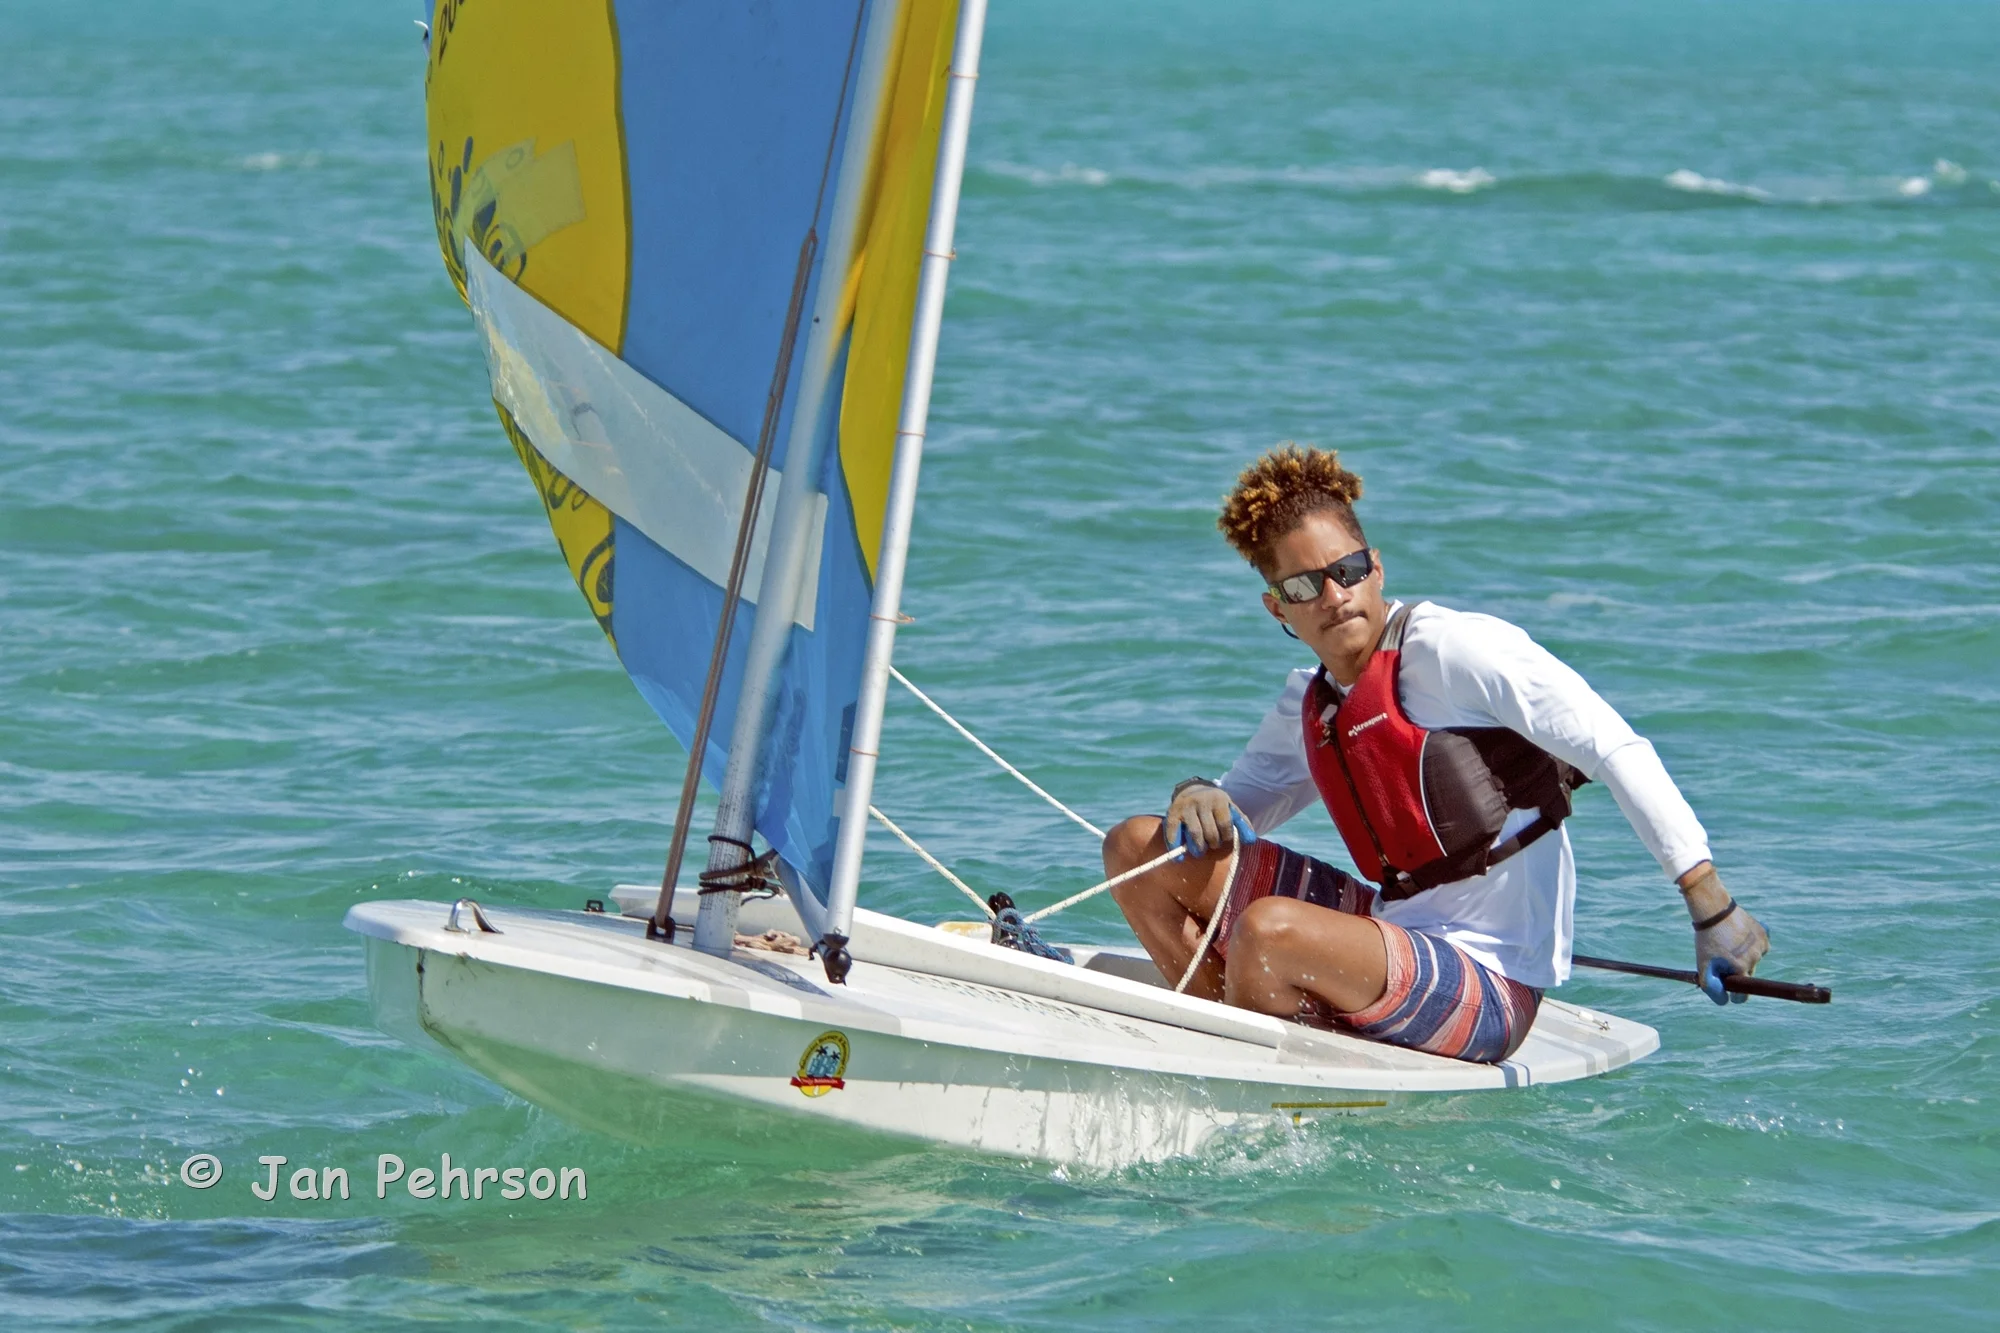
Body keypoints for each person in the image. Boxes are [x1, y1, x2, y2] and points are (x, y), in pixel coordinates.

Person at [1103, 444, 1770, 1064]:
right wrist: (1195, 790)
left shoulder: (1454, 651)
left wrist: (1710, 907)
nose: (1336, 596)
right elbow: (1234, 806)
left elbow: (1614, 745)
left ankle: (1245, 1082)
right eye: (1306, 586)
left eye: (1348, 571)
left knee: (1268, 930)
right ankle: (1224, 1032)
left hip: (1491, 980)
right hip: (1393, 930)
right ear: (1277, 607)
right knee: (1138, 848)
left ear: (1376, 566)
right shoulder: (1310, 701)